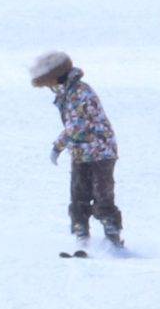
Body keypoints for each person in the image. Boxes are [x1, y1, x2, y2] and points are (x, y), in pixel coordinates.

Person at [31, 51, 122, 248]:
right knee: (78, 197)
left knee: (102, 197)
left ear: (59, 76)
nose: (50, 87)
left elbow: (76, 126)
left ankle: (113, 239)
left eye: (50, 82)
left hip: (101, 153)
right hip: (81, 153)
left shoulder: (81, 93)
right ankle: (82, 239)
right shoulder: (68, 93)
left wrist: (57, 146)